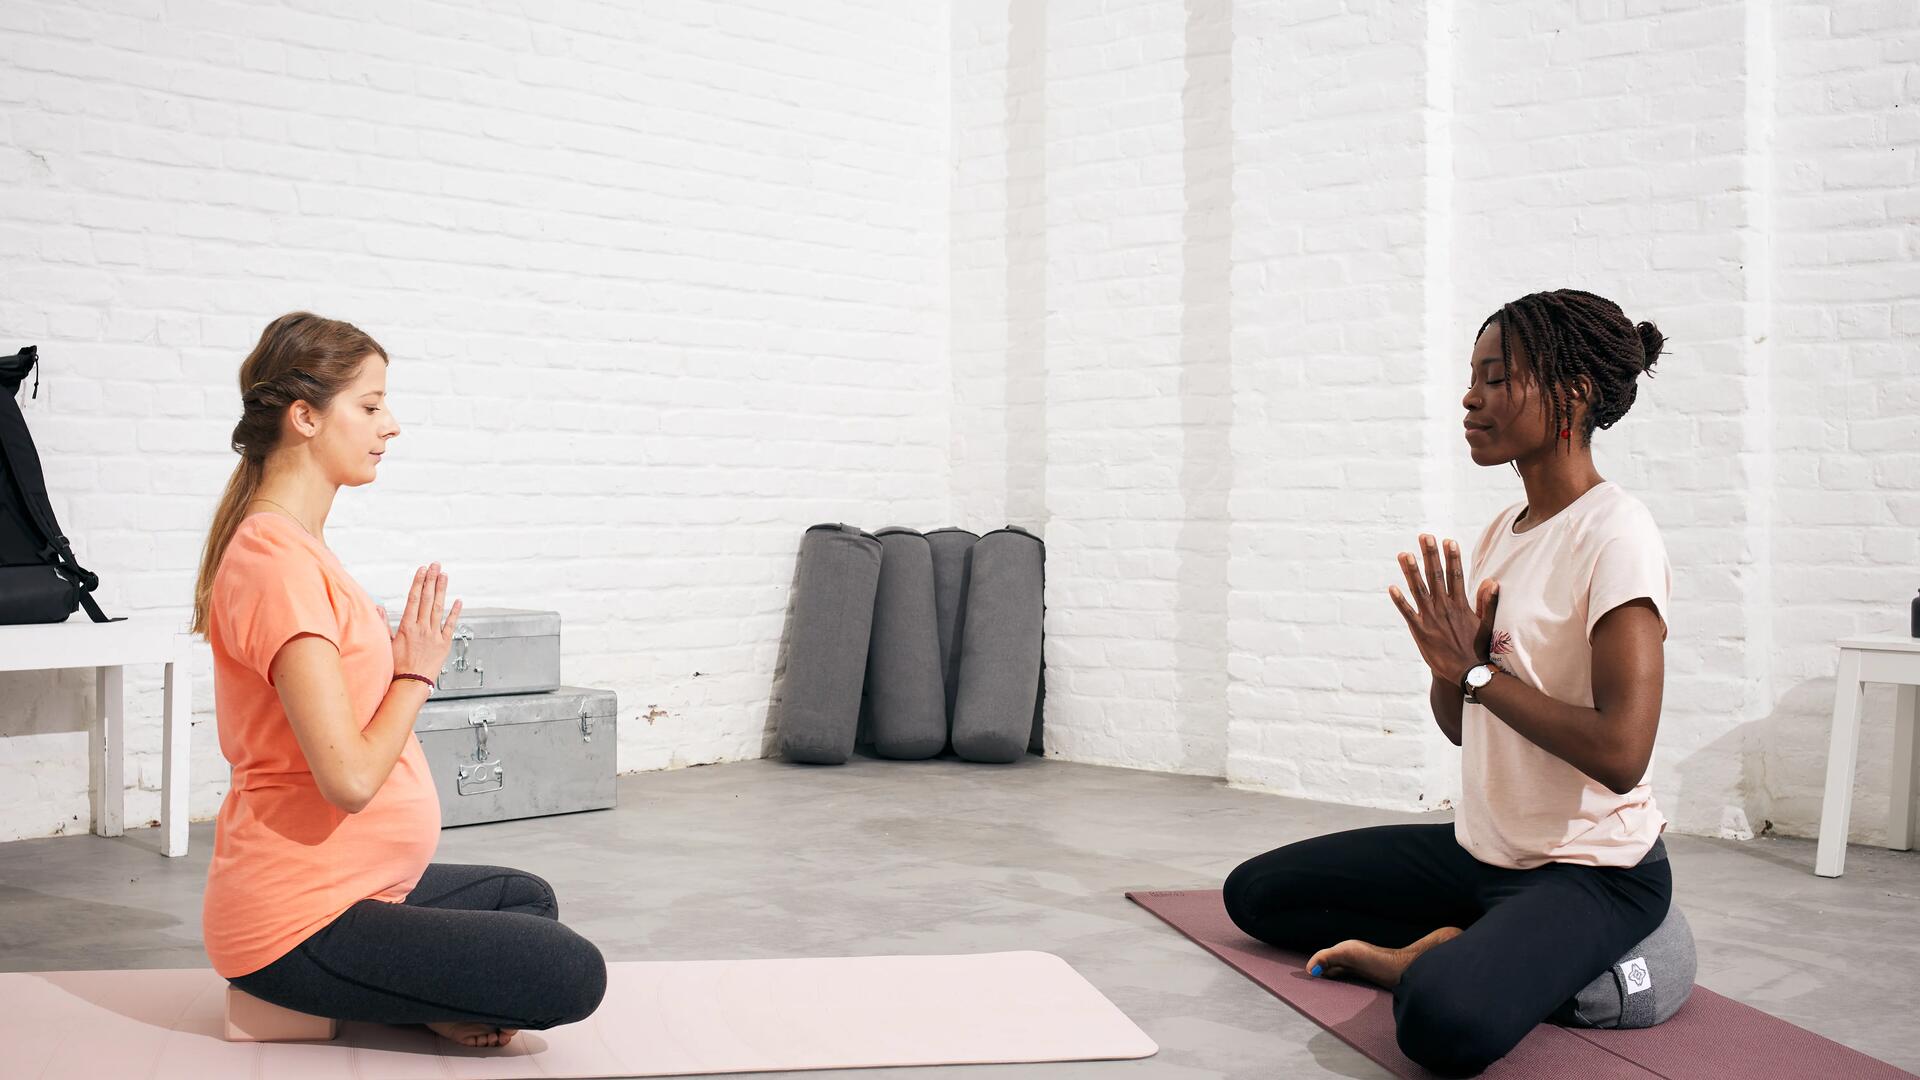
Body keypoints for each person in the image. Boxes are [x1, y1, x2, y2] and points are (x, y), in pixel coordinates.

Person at [1222, 289, 1674, 1077]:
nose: (1471, 397)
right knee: (1255, 896)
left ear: (1570, 391)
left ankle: (1446, 958)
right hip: (1483, 853)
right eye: (1474, 376)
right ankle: (1478, 939)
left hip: (1593, 869)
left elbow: (1623, 752)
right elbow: (1465, 724)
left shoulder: (1616, 535)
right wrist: (1450, 668)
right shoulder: (1505, 530)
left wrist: (1475, 670)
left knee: (1440, 1020)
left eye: (1497, 378)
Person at [191, 313, 606, 1048]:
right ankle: (373, 994)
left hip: (356, 888)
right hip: (297, 921)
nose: (391, 426)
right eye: (372, 405)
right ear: (306, 417)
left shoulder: (300, 548)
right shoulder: (276, 564)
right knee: (573, 974)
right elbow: (347, 777)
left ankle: (412, 994)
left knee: (526, 897)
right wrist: (416, 670)